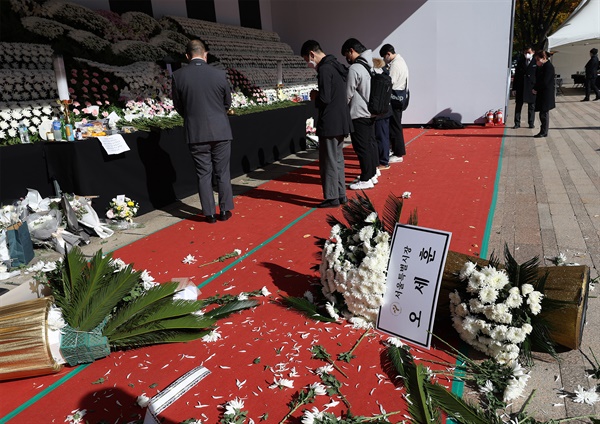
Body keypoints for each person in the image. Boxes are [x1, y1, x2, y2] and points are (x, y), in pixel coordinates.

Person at [172, 39, 234, 223]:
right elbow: (227, 103)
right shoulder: (219, 74)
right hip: (220, 130)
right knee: (222, 172)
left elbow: (178, 106)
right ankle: (224, 211)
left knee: (203, 173)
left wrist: (192, 116)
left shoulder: (178, 76)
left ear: (187, 56)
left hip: (196, 132)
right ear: (205, 54)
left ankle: (209, 213)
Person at [300, 40, 352, 208]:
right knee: (337, 159)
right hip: (341, 120)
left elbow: (325, 98)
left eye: (307, 59)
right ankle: (340, 193)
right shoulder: (336, 65)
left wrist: (315, 94)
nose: (309, 63)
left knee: (328, 160)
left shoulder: (324, 69)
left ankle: (332, 196)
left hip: (330, 121)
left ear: (312, 54)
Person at [341, 38, 379, 190]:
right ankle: (371, 174)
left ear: (352, 50)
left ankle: (366, 178)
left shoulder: (355, 68)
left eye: (346, 55)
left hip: (358, 112)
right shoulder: (370, 65)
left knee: (361, 147)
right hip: (371, 111)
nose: (347, 59)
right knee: (369, 145)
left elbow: (348, 93)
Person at [379, 43, 408, 164]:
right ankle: (396, 150)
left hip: (395, 98)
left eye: (384, 57)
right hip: (399, 96)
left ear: (388, 54)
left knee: (395, 125)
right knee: (395, 125)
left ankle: (398, 152)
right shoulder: (400, 61)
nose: (384, 60)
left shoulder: (396, 65)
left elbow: (390, 82)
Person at [372, 57, 392, 170]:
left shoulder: (377, 79)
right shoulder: (386, 76)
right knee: (383, 136)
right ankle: (384, 160)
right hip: (386, 110)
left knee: (381, 137)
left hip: (380, 112)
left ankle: (384, 161)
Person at [532, 50, 555, 138]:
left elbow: (545, 81)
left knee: (544, 113)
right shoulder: (542, 66)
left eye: (538, 59)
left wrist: (536, 88)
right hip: (542, 92)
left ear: (544, 58)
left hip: (546, 93)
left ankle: (544, 131)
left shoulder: (548, 67)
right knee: (542, 113)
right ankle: (543, 130)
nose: (537, 61)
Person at [512, 46, 537, 128]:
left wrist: (537, 88)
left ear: (533, 52)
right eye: (525, 52)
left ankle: (531, 123)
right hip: (520, 87)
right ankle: (517, 123)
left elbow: (538, 76)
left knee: (531, 106)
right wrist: (514, 88)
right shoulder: (520, 62)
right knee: (518, 105)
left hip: (531, 87)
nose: (527, 54)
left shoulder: (535, 62)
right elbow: (516, 76)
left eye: (529, 52)